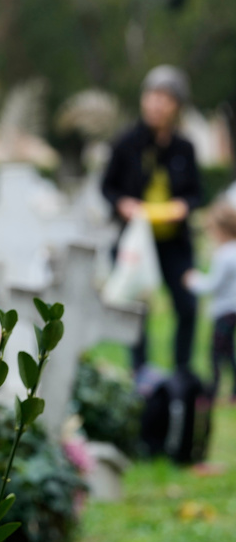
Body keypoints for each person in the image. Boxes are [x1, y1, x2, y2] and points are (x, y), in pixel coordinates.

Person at [102, 65, 204, 373]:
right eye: (153, 96)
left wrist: (183, 206)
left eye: (165, 98)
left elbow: (197, 193)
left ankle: (182, 372)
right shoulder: (126, 142)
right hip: (136, 240)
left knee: (187, 306)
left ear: (176, 106)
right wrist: (124, 204)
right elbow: (107, 187)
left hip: (173, 240)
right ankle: (140, 374)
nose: (157, 104)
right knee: (135, 309)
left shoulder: (183, 148)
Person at [184, 194, 236, 400]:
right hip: (233, 309)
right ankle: (232, 390)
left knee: (216, 353)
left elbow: (212, 285)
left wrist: (193, 281)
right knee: (228, 351)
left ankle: (213, 390)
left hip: (224, 310)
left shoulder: (223, 254)